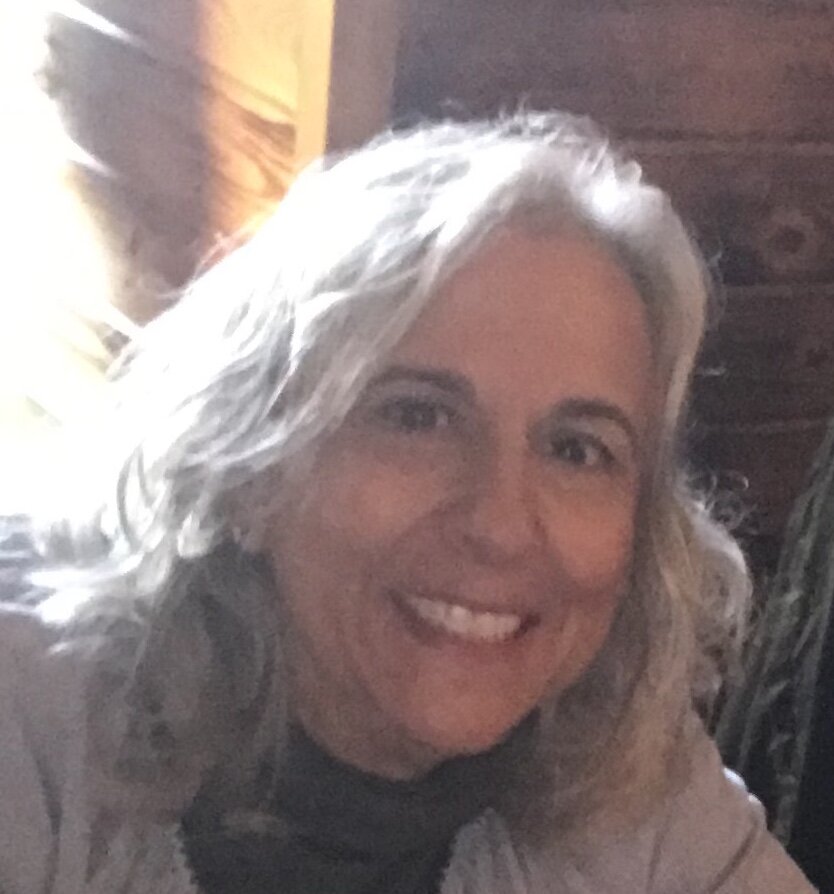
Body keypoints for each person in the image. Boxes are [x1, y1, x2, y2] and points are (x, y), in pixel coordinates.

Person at [0, 112, 813, 893]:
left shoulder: (619, 771)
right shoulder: (31, 727)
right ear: (248, 466)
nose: (499, 525)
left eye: (577, 449)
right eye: (417, 416)